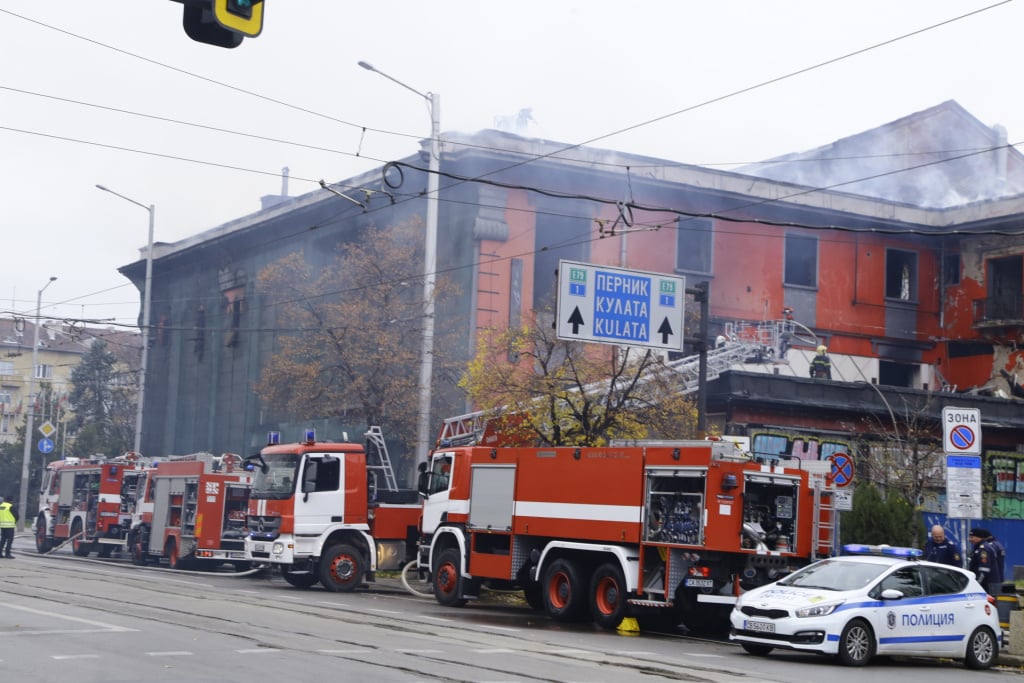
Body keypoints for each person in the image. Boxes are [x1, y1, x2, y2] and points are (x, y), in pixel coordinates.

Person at [968, 527, 1004, 595]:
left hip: (988, 585)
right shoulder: (980, 548)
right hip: (988, 584)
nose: (970, 539)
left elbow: (984, 570)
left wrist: (976, 583)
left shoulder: (983, 549)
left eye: (972, 537)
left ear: (979, 537)